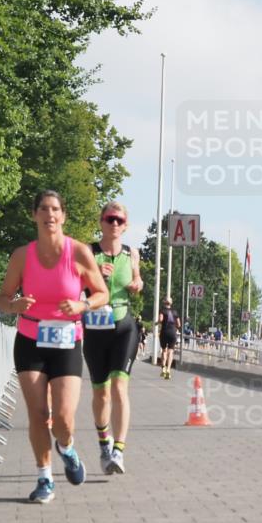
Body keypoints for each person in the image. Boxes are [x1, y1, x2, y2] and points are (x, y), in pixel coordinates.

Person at [0, 190, 109, 504]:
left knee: (63, 419)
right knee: (37, 414)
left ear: (63, 216)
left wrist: (82, 305)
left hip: (66, 341)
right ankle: (44, 478)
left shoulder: (79, 252)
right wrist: (14, 305)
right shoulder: (22, 256)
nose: (50, 214)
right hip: (30, 339)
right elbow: (2, 299)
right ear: (34, 215)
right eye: (44, 209)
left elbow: (102, 293)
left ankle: (67, 448)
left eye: (55, 209)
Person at [81, 202, 144, 475]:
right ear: (101, 222)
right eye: (110, 219)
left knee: (119, 387)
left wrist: (137, 284)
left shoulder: (132, 253)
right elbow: (76, 284)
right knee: (101, 392)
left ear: (126, 225)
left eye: (119, 220)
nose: (114, 224)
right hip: (96, 328)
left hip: (123, 325)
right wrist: (95, 276)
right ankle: (104, 441)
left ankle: (118, 450)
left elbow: (138, 280)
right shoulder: (88, 251)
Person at [157, 297, 181, 379]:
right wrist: (174, 327)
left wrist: (157, 323)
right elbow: (179, 324)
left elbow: (160, 319)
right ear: (171, 303)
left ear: (164, 303)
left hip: (164, 332)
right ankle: (168, 369)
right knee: (171, 351)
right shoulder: (175, 312)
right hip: (172, 333)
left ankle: (163, 368)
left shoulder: (162, 310)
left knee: (164, 350)